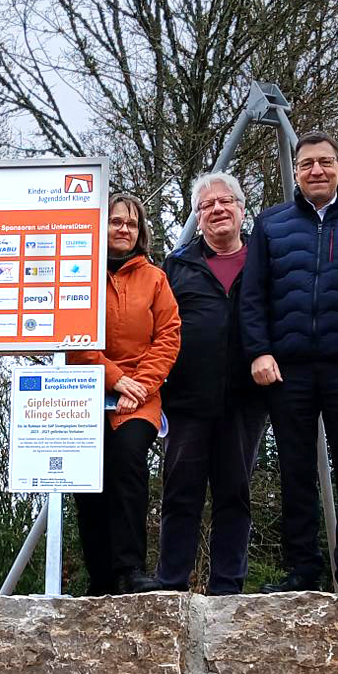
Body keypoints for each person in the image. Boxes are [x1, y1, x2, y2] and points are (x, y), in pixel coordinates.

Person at [240, 130, 338, 594]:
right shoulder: (270, 224)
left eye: (325, 162)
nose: (316, 171)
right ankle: (302, 567)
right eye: (307, 164)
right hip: (287, 368)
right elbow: (253, 295)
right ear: (296, 172)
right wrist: (259, 350)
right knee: (294, 471)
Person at [147, 174, 266, 594]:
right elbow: (156, 328)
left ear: (240, 208)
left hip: (244, 400)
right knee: (181, 494)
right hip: (185, 400)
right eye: (207, 205)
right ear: (198, 217)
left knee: (235, 493)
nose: (217, 209)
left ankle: (228, 586)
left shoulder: (263, 258)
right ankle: (170, 583)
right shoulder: (177, 267)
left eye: (225, 202)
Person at [68, 194, 181, 595]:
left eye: (131, 224)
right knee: (87, 479)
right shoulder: (80, 273)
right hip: (86, 389)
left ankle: (130, 568)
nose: (123, 230)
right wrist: (114, 378)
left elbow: (168, 337)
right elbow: (73, 338)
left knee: (128, 462)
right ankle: (99, 577)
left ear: (141, 232)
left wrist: (140, 385)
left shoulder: (155, 279)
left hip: (141, 396)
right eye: (116, 222)